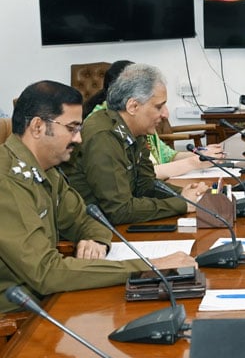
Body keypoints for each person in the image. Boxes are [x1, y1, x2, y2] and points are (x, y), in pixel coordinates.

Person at [0, 81, 195, 313]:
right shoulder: (8, 181)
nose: (78, 139)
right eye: (72, 128)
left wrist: (95, 240)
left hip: (48, 298)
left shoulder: (46, 170)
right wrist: (150, 266)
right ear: (38, 127)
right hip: (18, 316)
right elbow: (46, 273)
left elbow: (88, 219)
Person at [62, 63, 210, 224]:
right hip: (93, 235)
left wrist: (183, 194)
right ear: (133, 106)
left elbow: (145, 185)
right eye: (159, 106)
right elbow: (120, 211)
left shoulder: (136, 131)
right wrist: (182, 204)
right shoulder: (103, 136)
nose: (165, 114)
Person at [85, 60, 225, 180]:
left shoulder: (140, 120)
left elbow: (166, 156)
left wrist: (201, 154)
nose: (165, 114)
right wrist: (193, 162)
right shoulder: (105, 127)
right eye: (159, 106)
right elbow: (140, 176)